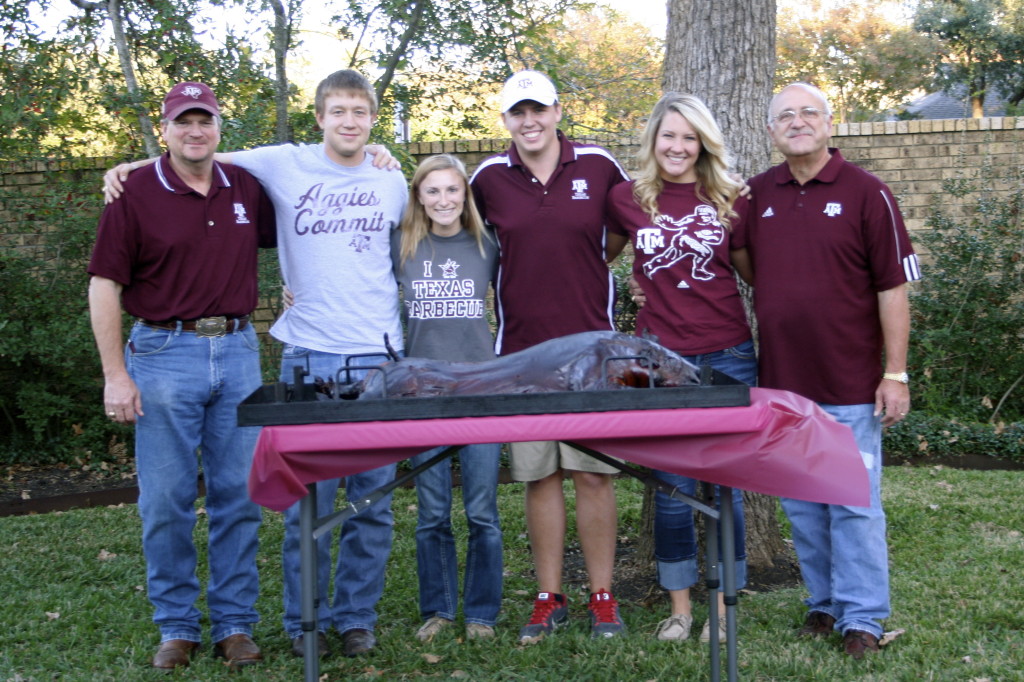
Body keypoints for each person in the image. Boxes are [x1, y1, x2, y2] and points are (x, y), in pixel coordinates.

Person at [104, 69, 407, 659]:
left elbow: (418, 249)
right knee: (305, 505)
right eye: (337, 111)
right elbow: (198, 152)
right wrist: (130, 168)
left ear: (372, 118)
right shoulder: (282, 163)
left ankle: (351, 618)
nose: (348, 122)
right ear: (317, 117)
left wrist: (385, 152)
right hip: (302, 355)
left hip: (376, 354)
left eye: (360, 112)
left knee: (369, 501)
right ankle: (299, 624)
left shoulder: (389, 179)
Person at [87, 81, 276, 670]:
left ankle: (235, 625)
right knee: (166, 500)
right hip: (164, 352)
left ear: (220, 127)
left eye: (206, 121)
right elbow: (103, 285)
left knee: (237, 497)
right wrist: (115, 374)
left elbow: (301, 224)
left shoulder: (244, 186)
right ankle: (176, 626)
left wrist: (372, 153)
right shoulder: (134, 192)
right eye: (183, 122)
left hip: (240, 350)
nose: (195, 131)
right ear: (164, 130)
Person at [735, 82, 920, 659]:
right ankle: (825, 603)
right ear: (770, 130)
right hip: (785, 386)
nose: (797, 122)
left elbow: (893, 287)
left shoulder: (869, 193)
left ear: (829, 122)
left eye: (807, 112)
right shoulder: (756, 195)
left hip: (849, 382)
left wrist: (896, 373)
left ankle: (863, 617)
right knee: (803, 504)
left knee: (854, 505)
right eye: (784, 115)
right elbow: (745, 262)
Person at [469, 70, 631, 642]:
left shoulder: (599, 165)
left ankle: (603, 598)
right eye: (518, 112)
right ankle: (547, 597)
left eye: (538, 110)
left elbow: (624, 230)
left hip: (592, 352)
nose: (529, 121)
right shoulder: (488, 178)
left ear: (559, 111)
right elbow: (458, 238)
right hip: (522, 356)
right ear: (506, 120)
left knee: (592, 477)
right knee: (540, 478)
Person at [605, 92, 753, 644]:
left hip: (728, 355)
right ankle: (680, 609)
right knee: (670, 487)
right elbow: (593, 261)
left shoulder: (729, 197)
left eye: (689, 137)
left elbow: (750, 274)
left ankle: (723, 607)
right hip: (654, 361)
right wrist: (633, 293)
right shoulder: (626, 198)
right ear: (653, 139)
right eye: (669, 135)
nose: (678, 146)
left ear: (703, 144)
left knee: (725, 488)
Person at [391, 154, 503, 642]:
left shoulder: (488, 244)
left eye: (452, 190)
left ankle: (481, 613)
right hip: (424, 391)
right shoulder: (400, 245)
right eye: (432, 191)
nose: (443, 200)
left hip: (480, 390)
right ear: (418, 196)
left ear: (465, 195)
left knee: (482, 511)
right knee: (433, 512)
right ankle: (437, 610)